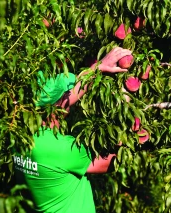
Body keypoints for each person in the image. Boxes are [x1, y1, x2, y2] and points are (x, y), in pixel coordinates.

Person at [12, 47, 132, 213]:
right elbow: (113, 161)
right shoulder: (62, 149)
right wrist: (129, 112)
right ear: (55, 109)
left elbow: (61, 103)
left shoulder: (17, 133)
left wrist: (99, 67)